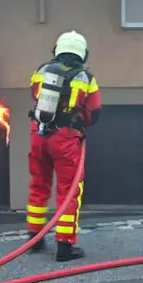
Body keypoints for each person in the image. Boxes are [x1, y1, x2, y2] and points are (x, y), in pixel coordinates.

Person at [25, 30, 102, 262]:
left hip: (38, 134)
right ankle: (65, 246)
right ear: (82, 53)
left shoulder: (41, 71)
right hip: (66, 139)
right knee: (68, 191)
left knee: (39, 184)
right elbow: (94, 112)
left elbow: (34, 95)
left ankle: (35, 237)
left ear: (57, 50)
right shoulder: (86, 78)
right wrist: (79, 122)